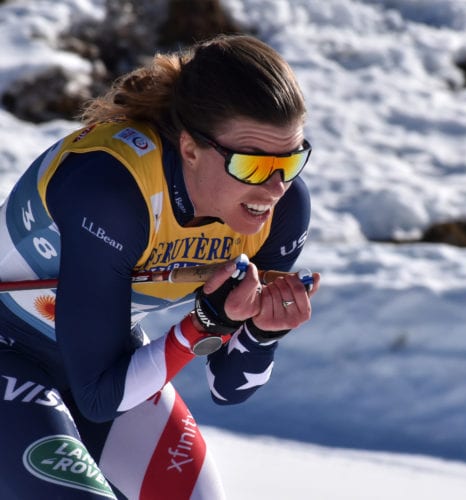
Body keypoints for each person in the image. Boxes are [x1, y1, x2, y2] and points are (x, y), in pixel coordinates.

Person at [0, 34, 320, 499]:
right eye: (252, 166)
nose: (274, 188)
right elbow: (99, 397)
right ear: (190, 149)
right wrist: (201, 325)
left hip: (100, 355)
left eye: (290, 162)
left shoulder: (283, 209)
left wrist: (262, 333)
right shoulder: (111, 190)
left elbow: (228, 388)